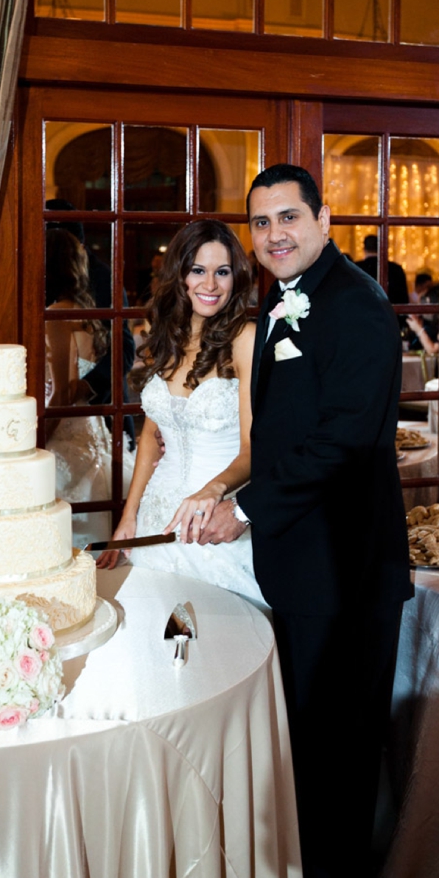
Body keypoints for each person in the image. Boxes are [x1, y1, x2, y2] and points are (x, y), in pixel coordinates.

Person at [198, 165, 412, 878]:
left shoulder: (355, 306)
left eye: (288, 218)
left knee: (340, 754)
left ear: (324, 220)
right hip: (302, 568)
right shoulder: (287, 299)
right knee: (310, 747)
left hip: (345, 569)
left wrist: (246, 508)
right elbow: (284, 432)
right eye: (261, 223)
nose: (274, 235)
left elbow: (344, 442)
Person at [96, 219, 266, 609]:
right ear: (181, 277)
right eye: (198, 271)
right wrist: (128, 518)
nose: (210, 284)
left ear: (235, 278)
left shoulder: (245, 339)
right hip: (158, 516)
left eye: (222, 272)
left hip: (214, 519)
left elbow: (253, 449)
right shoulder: (166, 337)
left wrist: (212, 490)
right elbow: (149, 439)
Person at [45, 228, 134, 549]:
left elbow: (63, 393)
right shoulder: (88, 313)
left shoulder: (57, 316)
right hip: (94, 431)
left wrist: (36, 441)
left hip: (65, 433)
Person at [46, 198, 136, 450]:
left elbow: (124, 349)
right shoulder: (34, 272)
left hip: (103, 412)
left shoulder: (103, 277)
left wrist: (84, 388)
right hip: (54, 409)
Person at [355, 233, 410, 306]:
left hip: (361, 314)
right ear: (382, 248)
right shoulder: (396, 269)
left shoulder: (355, 268)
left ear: (364, 249)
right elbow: (403, 301)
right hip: (389, 315)